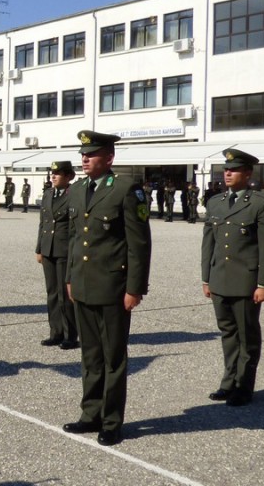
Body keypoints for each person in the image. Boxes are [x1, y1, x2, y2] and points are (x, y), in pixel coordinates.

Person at [62, 130, 151, 447]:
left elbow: (138, 244)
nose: (84, 159)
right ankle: (91, 414)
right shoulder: (77, 190)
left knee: (113, 357)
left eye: (91, 153)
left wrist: (134, 288)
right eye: (83, 154)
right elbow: (75, 239)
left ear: (109, 158)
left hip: (114, 287)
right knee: (90, 355)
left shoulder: (126, 190)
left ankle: (112, 421)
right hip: (84, 285)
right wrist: (71, 278)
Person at [201, 149, 264, 407]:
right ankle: (229, 382)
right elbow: (208, 244)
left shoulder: (260, 203)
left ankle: (244, 387)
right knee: (228, 334)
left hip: (245, 283)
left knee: (247, 336)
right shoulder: (215, 203)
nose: (227, 173)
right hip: (219, 280)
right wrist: (206, 278)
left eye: (233, 169)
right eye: (226, 169)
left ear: (247, 173)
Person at [35, 161, 78, 350]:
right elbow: (43, 224)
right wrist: (39, 249)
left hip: (64, 250)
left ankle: (70, 335)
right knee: (51, 293)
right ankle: (56, 332)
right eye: (52, 173)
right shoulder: (47, 194)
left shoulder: (74, 195)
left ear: (69, 176)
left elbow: (75, 227)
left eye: (58, 173)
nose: (53, 176)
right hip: (48, 249)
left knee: (65, 294)